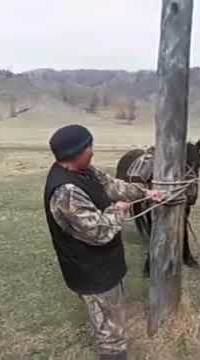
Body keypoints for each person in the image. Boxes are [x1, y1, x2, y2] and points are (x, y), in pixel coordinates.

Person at [43, 124, 164, 360]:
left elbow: (112, 185)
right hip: (92, 273)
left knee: (112, 321)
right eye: (89, 147)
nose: (93, 151)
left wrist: (145, 193)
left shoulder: (84, 171)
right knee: (111, 335)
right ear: (76, 153)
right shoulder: (66, 191)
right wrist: (119, 210)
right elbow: (99, 231)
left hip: (104, 267)